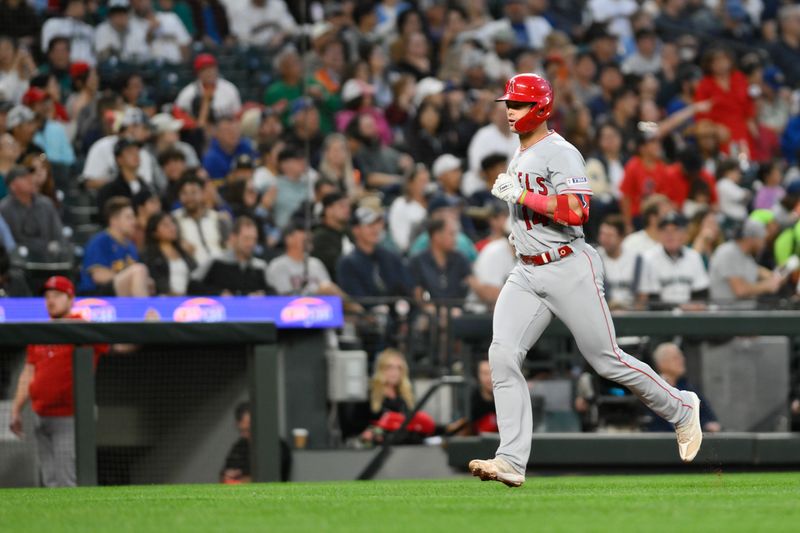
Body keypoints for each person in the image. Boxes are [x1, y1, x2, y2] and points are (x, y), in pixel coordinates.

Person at [468, 74, 703, 489]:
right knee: (502, 356)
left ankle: (682, 408)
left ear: (540, 108)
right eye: (508, 102)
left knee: (606, 359)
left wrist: (522, 198)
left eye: (519, 104)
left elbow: (578, 212)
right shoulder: (518, 153)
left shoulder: (561, 152)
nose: (509, 110)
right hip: (526, 270)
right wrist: (518, 228)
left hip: (567, 265)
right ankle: (510, 459)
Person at [9, 276, 108, 487]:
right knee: (49, 480)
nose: (50, 300)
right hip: (39, 415)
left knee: (66, 480)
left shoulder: (82, 327)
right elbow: (28, 372)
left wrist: (149, 322)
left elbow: (120, 345)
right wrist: (17, 409)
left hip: (70, 417)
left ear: (71, 299)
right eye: (47, 296)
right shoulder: (41, 331)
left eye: (56, 295)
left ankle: (76, 520)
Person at [78, 197, 151, 296]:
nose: (134, 222)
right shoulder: (100, 242)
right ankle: (142, 310)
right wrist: (129, 278)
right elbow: (98, 276)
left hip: (119, 294)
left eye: (133, 217)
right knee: (138, 270)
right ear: (114, 220)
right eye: (129, 217)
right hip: (96, 295)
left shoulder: (130, 246)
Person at [638, 211, 710, 309]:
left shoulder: (694, 257)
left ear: (684, 234)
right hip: (660, 318)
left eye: (675, 230)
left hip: (690, 316)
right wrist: (679, 308)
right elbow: (650, 299)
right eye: (665, 230)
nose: (670, 235)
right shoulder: (648, 258)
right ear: (659, 234)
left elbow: (701, 293)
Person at [337, 206, 411, 299]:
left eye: (377, 224)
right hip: (367, 312)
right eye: (369, 225)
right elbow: (356, 298)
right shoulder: (348, 263)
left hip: (398, 309)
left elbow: (406, 287)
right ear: (356, 230)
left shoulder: (390, 256)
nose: (375, 229)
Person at [646, 343, 721, 433]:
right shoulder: (650, 388)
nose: (682, 360)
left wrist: (707, 425)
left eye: (681, 356)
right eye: (675, 358)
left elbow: (708, 416)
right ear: (662, 363)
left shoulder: (687, 387)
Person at [189, 215, 272, 296]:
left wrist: (262, 294)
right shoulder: (216, 261)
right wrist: (218, 293)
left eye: (254, 239)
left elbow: (273, 292)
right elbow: (192, 285)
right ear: (233, 238)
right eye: (246, 238)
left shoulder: (259, 267)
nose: (251, 243)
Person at [708, 219, 783, 307]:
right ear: (752, 238)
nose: (764, 244)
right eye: (762, 239)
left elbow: (761, 272)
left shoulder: (746, 255)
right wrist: (767, 286)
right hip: (726, 316)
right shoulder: (728, 252)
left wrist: (778, 276)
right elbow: (740, 290)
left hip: (744, 315)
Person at [267, 221, 349, 298]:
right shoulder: (278, 265)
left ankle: (357, 309)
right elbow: (284, 298)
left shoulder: (316, 263)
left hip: (322, 310)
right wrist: (318, 293)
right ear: (289, 239)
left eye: (309, 232)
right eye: (303, 231)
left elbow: (330, 292)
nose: (309, 235)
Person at [220, 401, 291, 483]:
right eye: (241, 431)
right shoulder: (240, 445)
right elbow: (223, 476)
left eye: (248, 430)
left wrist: (241, 480)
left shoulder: (277, 446)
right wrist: (228, 476)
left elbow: (269, 478)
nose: (245, 435)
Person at [0, 166, 64, 257]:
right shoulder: (4, 208)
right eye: (24, 178)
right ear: (13, 186)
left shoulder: (46, 204)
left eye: (30, 176)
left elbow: (58, 234)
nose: (30, 180)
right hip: (17, 261)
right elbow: (7, 243)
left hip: (47, 256)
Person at [172, 173, 231, 266]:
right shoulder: (174, 220)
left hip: (221, 268)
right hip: (193, 271)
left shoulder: (218, 218)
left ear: (203, 193)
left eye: (194, 192)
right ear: (179, 196)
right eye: (184, 193)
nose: (189, 197)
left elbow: (229, 247)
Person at [409, 217, 473, 303]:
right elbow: (418, 295)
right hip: (428, 313)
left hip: (458, 312)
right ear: (436, 236)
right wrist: (435, 311)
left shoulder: (460, 259)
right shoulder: (418, 261)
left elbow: (473, 283)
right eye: (451, 234)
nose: (455, 239)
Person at [175, 54, 242, 124]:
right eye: (204, 69)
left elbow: (237, 113)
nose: (209, 72)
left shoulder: (229, 88)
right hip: (200, 132)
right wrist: (192, 124)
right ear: (198, 73)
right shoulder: (189, 92)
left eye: (211, 68)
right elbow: (177, 111)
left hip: (226, 129)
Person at [141, 212, 197, 296]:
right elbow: (157, 283)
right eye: (165, 225)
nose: (172, 228)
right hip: (166, 299)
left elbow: (197, 274)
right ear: (154, 233)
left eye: (172, 223)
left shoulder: (182, 251)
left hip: (190, 298)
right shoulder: (149, 255)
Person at [96, 138, 152, 218]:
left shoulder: (146, 186)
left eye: (137, 151)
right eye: (130, 152)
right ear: (119, 159)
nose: (135, 155)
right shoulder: (109, 190)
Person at [597, 214, 640, 309]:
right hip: (603, 312)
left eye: (610, 235)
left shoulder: (636, 258)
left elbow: (642, 295)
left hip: (632, 313)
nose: (605, 239)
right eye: (602, 234)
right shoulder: (594, 257)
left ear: (621, 237)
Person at [388, 163, 429, 254]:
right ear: (410, 183)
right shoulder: (400, 204)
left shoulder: (433, 202)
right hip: (413, 252)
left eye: (427, 181)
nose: (425, 185)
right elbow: (400, 239)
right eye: (421, 181)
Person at [311, 192, 351, 282]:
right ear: (328, 210)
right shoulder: (320, 237)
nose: (347, 210)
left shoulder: (350, 232)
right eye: (341, 206)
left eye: (348, 206)